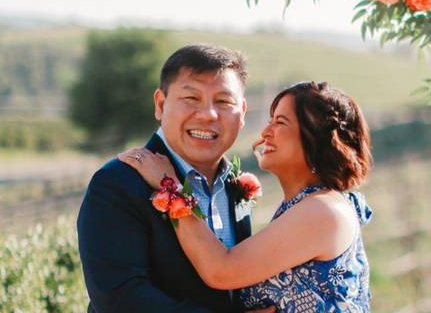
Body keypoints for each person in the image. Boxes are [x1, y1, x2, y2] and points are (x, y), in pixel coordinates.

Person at [119, 80, 374, 312]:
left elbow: (221, 270)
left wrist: (171, 187)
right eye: (270, 120)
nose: (265, 132)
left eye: (280, 122)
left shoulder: (323, 211)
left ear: (316, 138)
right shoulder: (307, 205)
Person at [77, 43, 262, 313]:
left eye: (223, 101)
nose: (208, 114)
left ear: (242, 113)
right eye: (191, 99)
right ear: (161, 104)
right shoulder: (117, 183)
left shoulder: (235, 186)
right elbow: (120, 299)